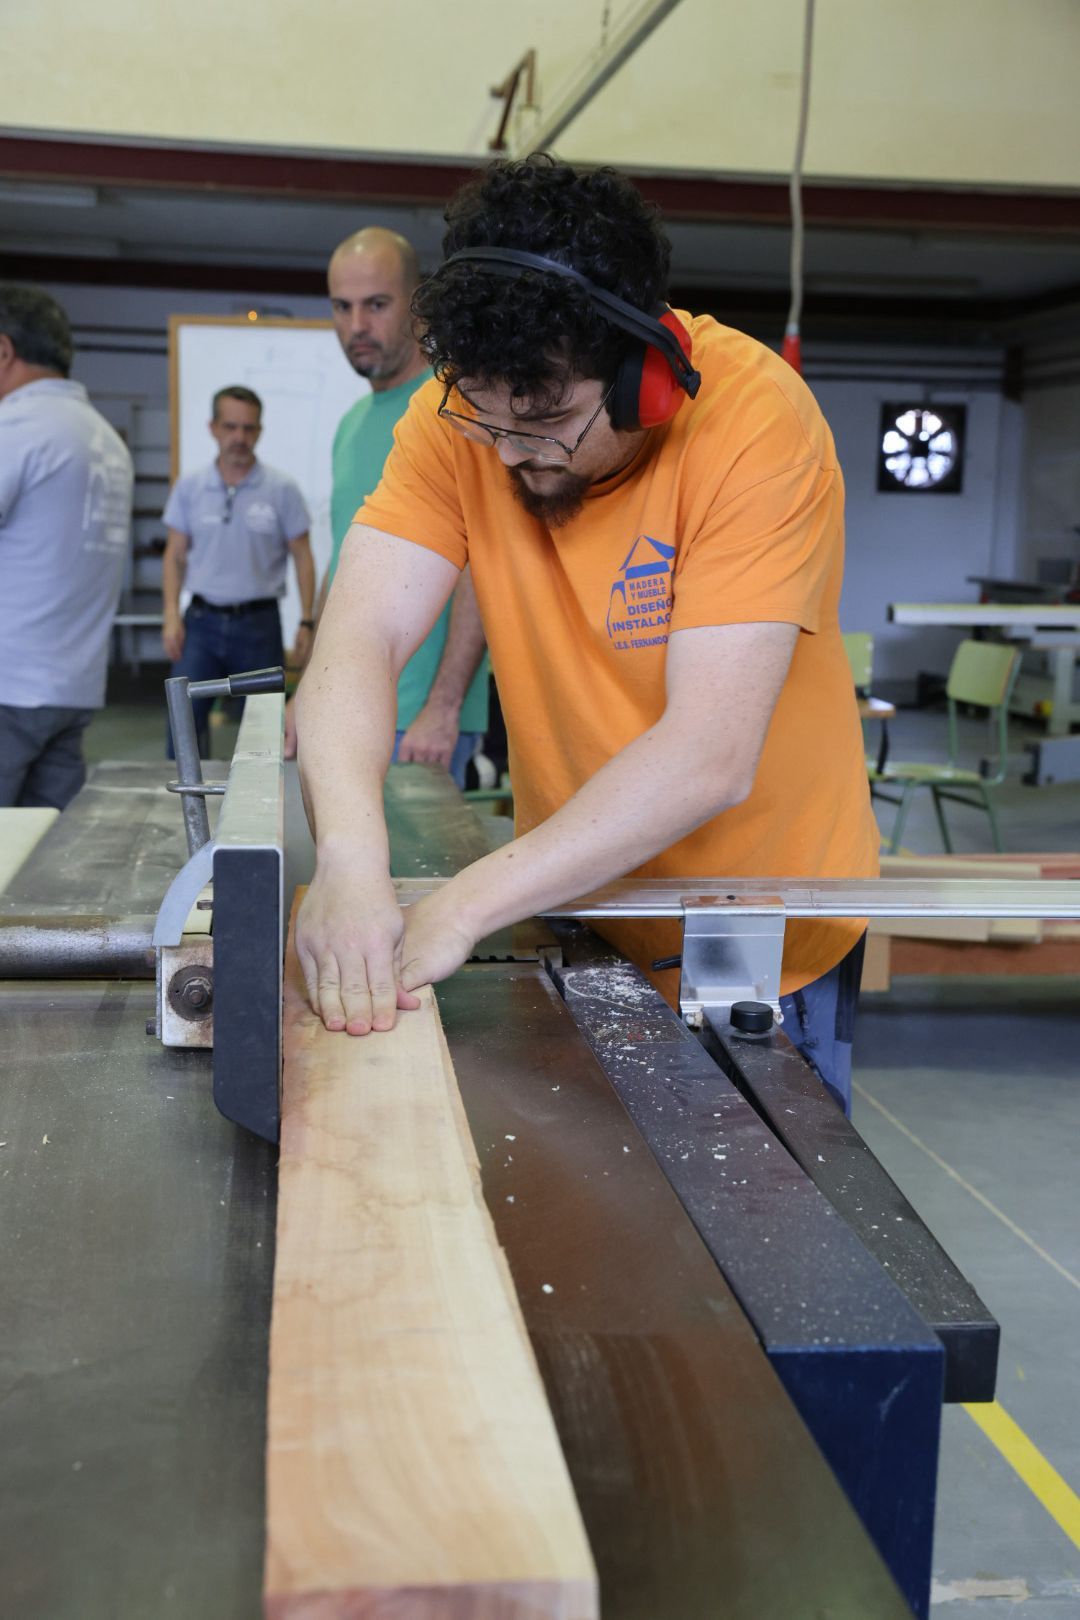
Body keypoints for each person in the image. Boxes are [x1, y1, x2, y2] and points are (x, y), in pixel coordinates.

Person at [294, 157, 879, 1114]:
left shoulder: (754, 423)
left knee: (767, 1221)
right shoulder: (461, 426)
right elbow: (359, 639)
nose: (515, 454)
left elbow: (709, 755)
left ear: (643, 376)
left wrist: (461, 908)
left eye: (550, 420)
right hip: (579, 901)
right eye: (487, 422)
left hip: (760, 930)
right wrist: (352, 867)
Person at [284, 226, 488, 785]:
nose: (356, 326)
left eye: (376, 305)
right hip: (350, 713)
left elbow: (480, 565)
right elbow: (345, 564)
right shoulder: (352, 424)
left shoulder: (457, 407)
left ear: (418, 304)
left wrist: (444, 708)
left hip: (422, 725)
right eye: (342, 307)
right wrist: (307, 691)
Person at [0, 285, 134, 810]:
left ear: (4, 351)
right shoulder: (106, 439)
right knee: (35, 856)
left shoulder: (18, 429)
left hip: (9, 687)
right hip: (72, 687)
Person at [162, 386, 315, 755]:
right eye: (230, 427)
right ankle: (183, 810)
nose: (239, 437)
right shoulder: (191, 487)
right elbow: (174, 554)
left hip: (258, 626)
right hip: (201, 623)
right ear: (213, 427)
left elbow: (303, 556)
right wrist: (170, 614)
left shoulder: (282, 489)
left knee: (263, 732)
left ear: (259, 431)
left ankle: (261, 808)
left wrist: (307, 621)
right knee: (182, 723)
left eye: (248, 428)